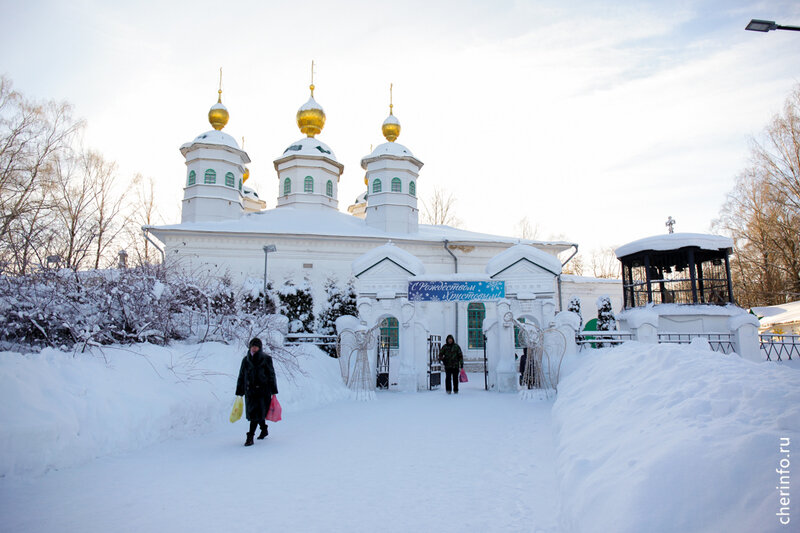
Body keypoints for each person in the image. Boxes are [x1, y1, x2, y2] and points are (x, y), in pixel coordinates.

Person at [236, 337, 278, 447]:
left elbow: (271, 375)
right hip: (250, 392)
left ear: (260, 348)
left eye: (256, 347)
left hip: (263, 391)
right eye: (253, 346)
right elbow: (241, 376)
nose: (254, 349)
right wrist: (240, 390)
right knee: (255, 414)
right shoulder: (245, 360)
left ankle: (250, 437)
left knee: (257, 414)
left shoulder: (266, 359)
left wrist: (273, 390)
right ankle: (264, 429)